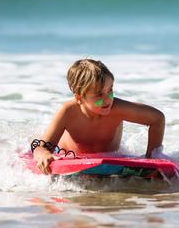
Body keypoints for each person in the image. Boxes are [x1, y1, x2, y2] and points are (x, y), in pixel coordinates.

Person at [31, 59, 165, 174]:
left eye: (110, 90)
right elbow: (40, 147)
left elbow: (157, 119)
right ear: (79, 98)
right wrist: (44, 154)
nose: (107, 99)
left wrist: (152, 158)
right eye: (99, 95)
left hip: (108, 159)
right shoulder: (68, 112)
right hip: (70, 158)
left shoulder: (118, 109)